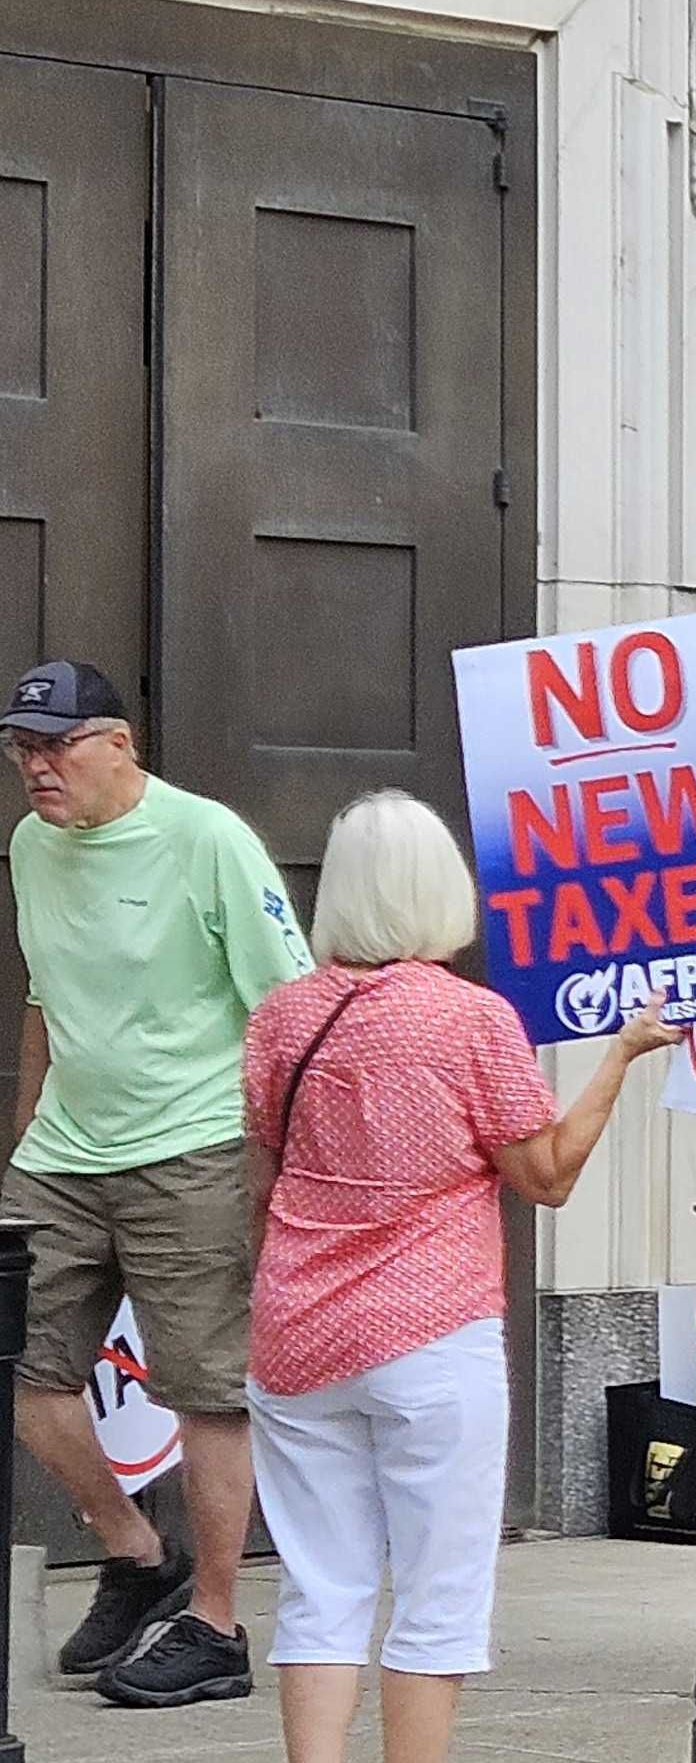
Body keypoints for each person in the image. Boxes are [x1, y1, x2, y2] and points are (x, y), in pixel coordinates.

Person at [243, 792, 681, 1762]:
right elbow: (548, 1177)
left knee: (319, 1589)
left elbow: (263, 1174)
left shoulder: (280, 1018)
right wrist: (620, 1056)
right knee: (437, 1598)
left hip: (297, 1336)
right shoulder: (473, 1021)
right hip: (432, 1333)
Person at [6, 660, 310, 1705]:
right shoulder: (30, 848)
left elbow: (285, 1009)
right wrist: (21, 1146)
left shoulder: (207, 839)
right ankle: (138, 1554)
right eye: (21, 748)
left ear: (119, 745)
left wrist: (274, 1173)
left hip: (194, 1147)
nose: (36, 767)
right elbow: (46, 998)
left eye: (57, 745)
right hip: (62, 1154)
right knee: (25, 1374)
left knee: (206, 1392)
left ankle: (215, 1625)